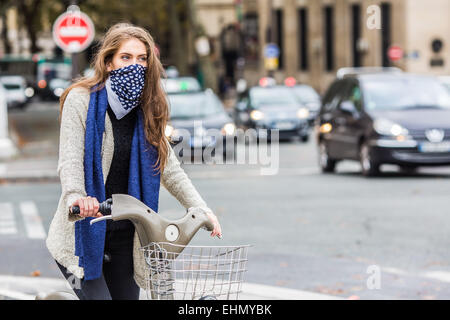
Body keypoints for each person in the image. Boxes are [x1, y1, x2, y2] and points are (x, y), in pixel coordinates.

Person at [46, 23, 222, 300]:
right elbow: (69, 160)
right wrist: (77, 197)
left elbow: (169, 169)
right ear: (109, 61)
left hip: (127, 238)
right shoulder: (81, 100)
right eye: (126, 57)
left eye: (142, 59)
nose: (135, 65)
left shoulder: (148, 107)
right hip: (80, 237)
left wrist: (200, 208)